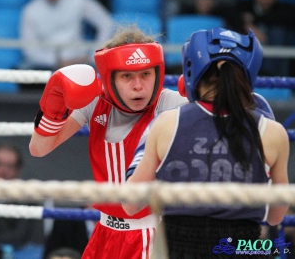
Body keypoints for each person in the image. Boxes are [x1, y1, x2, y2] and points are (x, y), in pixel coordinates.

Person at [122, 27, 289, 258]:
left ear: (193, 71)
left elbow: (130, 204)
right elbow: (276, 216)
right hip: (243, 249)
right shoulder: (273, 132)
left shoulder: (168, 122)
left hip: (176, 247)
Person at [29, 24, 188, 258]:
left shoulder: (170, 104)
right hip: (105, 230)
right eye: (127, 76)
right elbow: (39, 148)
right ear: (110, 77)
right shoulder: (94, 102)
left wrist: (208, 95)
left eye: (146, 74)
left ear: (158, 72)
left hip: (151, 233)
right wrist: (54, 106)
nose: (138, 85)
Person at [19, 0, 114, 73]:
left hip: (81, 66)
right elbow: (30, 51)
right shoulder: (30, 10)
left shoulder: (78, 0)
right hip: (47, 69)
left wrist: (93, 55)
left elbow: (106, 23)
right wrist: (58, 62)